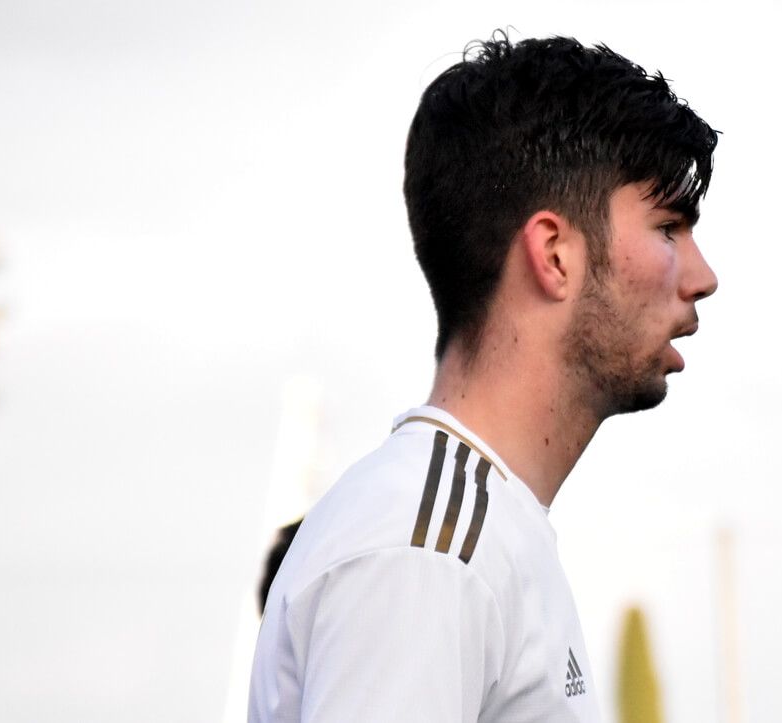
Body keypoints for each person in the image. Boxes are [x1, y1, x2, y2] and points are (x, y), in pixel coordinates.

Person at [248, 33, 719, 722]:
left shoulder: (475, 532)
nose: (703, 277)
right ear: (554, 255)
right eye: (668, 228)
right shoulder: (424, 551)